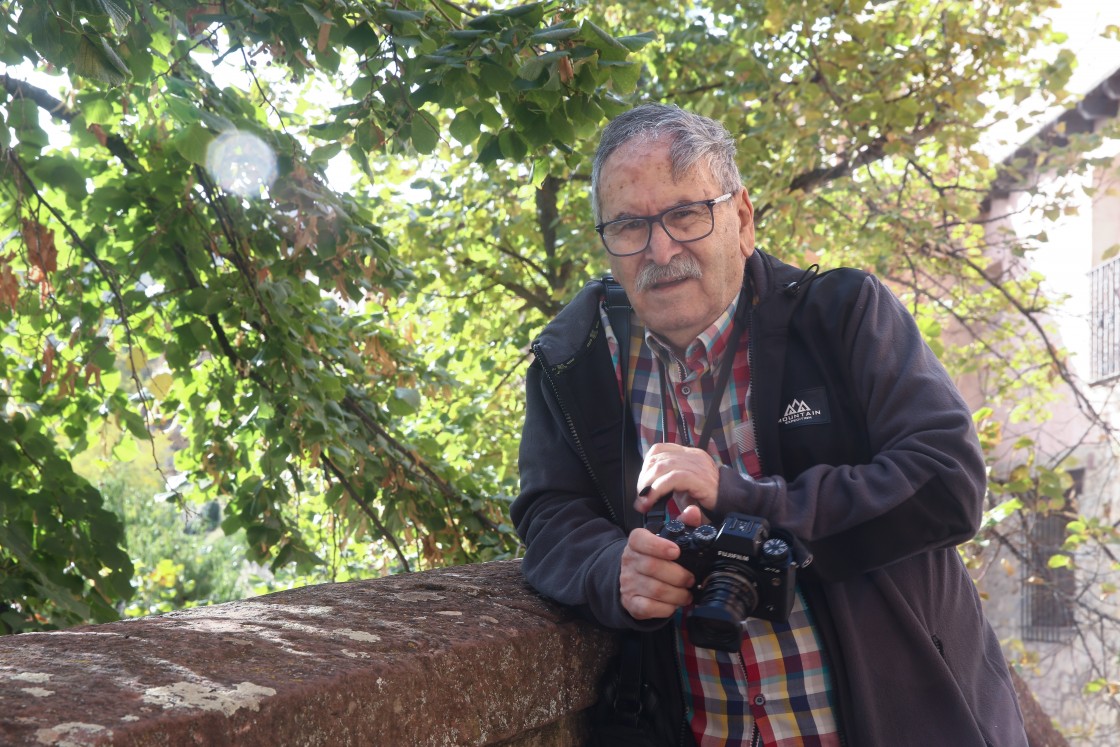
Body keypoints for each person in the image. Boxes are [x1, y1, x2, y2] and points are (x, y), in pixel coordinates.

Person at [510, 103, 1028, 747]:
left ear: (743, 219)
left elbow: (947, 484)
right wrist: (611, 569)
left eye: (685, 214)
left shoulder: (842, 317)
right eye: (628, 225)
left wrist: (746, 497)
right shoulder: (577, 360)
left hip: (900, 720)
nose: (659, 248)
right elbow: (549, 513)